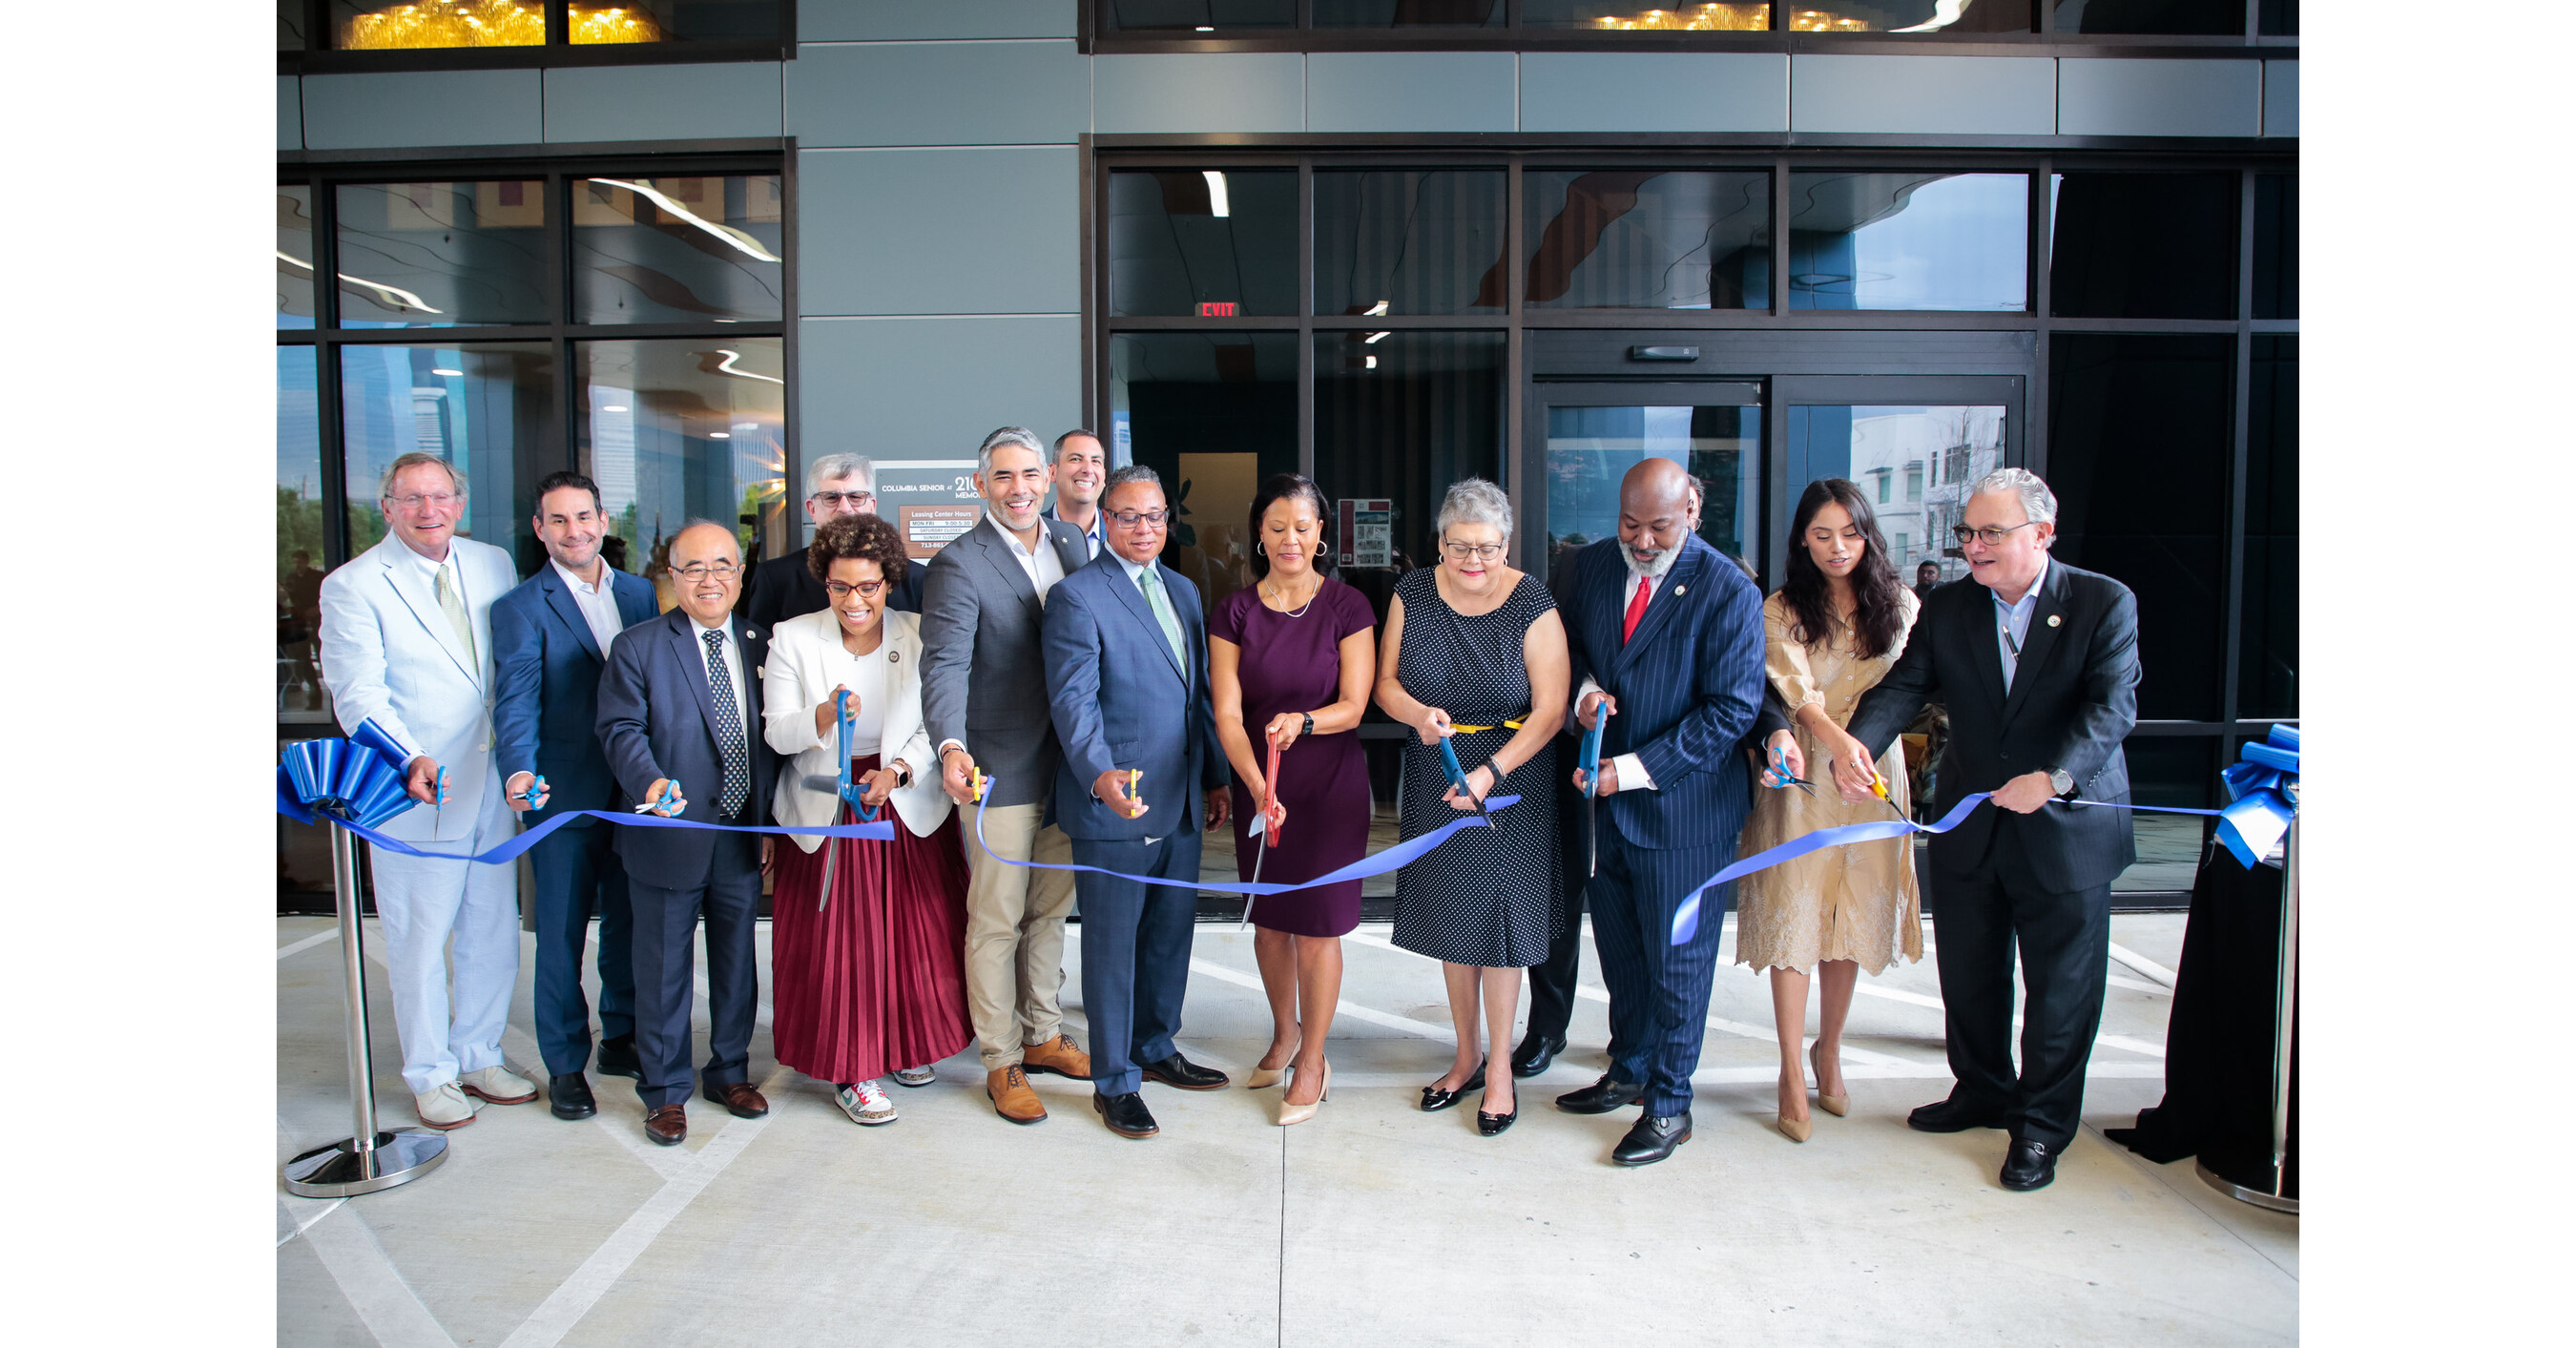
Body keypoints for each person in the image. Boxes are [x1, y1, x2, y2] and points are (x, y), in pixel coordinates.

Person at [1839, 467, 2139, 1193]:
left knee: (2062, 988)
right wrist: (1858, 742)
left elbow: (2112, 708)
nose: (1974, 546)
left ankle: (2039, 1125)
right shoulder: (1949, 607)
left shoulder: (2101, 602)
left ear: (2042, 533)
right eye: (1968, 532)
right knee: (1970, 973)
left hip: (2064, 825)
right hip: (1972, 823)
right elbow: (1907, 684)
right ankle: (1980, 1087)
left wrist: (2056, 776)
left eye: (1991, 533)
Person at [315, 452, 538, 1130]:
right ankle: (430, 1070)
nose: (428, 510)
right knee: (418, 935)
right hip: (417, 786)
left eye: (439, 497)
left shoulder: (493, 562)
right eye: (411, 499)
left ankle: (478, 1050)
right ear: (387, 507)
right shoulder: (353, 585)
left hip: (493, 782)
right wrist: (409, 753)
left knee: (491, 927)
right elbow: (357, 693)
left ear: (458, 504)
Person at [1553, 458, 1766, 1167]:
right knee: (1622, 953)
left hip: (1683, 811)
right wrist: (1584, 695)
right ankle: (1631, 1066)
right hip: (1604, 807)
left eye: (1660, 527)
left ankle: (1671, 1103)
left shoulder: (1728, 589)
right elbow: (1577, 652)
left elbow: (1733, 709)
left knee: (1678, 964)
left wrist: (1633, 771)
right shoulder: (1587, 569)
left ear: (1693, 512)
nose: (1643, 542)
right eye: (1630, 524)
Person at [761, 514, 974, 1128]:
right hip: (828, 808)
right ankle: (854, 1071)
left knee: (915, 936)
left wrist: (898, 773)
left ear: (889, 582)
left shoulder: (920, 632)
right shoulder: (793, 637)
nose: (854, 601)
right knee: (844, 945)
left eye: (868, 587)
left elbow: (936, 720)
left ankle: (904, 1045)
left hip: (900, 802)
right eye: (840, 587)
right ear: (823, 583)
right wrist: (825, 713)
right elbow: (778, 734)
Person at [1042, 466, 1234, 1139]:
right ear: (1105, 520)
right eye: (1127, 516)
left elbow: (1198, 696)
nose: (1144, 527)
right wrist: (1098, 774)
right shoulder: (1077, 597)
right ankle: (1114, 1078)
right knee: (1114, 947)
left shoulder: (1182, 590)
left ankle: (1155, 1046)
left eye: (1155, 515)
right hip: (1115, 803)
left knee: (1168, 938)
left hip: (1180, 797)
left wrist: (1214, 776)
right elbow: (1074, 702)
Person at [1374, 478, 1569, 1138]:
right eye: (1460, 547)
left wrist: (1492, 769)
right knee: (1452, 921)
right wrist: (1417, 715)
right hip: (1438, 768)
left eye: (1486, 548)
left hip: (1512, 775)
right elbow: (1385, 685)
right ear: (1440, 542)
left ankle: (1500, 1073)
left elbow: (1549, 711)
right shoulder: (1413, 593)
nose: (1473, 561)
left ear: (1506, 544)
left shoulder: (1532, 600)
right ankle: (1464, 1055)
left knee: (1503, 926)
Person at [1733, 478, 1925, 1144]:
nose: (1837, 547)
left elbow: (1904, 688)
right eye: (1821, 534)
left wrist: (1861, 749)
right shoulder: (1781, 606)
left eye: (1849, 532)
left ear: (1868, 534)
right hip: (1807, 770)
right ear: (1802, 540)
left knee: (1852, 913)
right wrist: (1839, 745)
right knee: (1798, 911)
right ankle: (1790, 1065)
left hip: (1872, 774)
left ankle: (1830, 1048)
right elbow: (1797, 689)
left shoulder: (1902, 604)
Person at [918, 425, 1096, 1124]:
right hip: (997, 764)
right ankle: (1000, 1058)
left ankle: (1043, 1031)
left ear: (1048, 478)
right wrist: (951, 747)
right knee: (995, 919)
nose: (1018, 488)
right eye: (1002, 476)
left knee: (1050, 908)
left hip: (1068, 764)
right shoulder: (959, 564)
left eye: (1028, 474)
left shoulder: (1074, 545)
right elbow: (944, 666)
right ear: (980, 484)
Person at [594, 520, 780, 1147]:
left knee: (736, 964)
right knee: (664, 967)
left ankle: (728, 1070)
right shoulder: (639, 645)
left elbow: (772, 743)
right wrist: (648, 782)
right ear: (672, 576)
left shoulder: (761, 643)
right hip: (667, 835)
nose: (710, 579)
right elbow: (621, 730)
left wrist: (773, 823)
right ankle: (665, 1090)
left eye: (723, 565)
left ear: (740, 574)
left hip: (739, 834)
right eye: (694, 567)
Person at [490, 470, 661, 1121]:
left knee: (629, 920)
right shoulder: (520, 607)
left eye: (584, 516)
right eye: (558, 520)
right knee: (560, 931)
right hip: (561, 795)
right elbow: (514, 704)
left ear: (602, 519)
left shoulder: (641, 592)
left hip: (634, 791)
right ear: (540, 528)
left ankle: (622, 1035)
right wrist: (518, 772)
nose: (574, 530)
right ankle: (566, 1063)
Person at [1207, 473, 1377, 1126]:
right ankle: (1283, 1031)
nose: (1290, 539)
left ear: (1321, 534)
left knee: (1317, 928)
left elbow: (1354, 705)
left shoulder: (1347, 606)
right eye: (1277, 527)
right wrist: (1255, 786)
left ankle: (1314, 1058)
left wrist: (1303, 721)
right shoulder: (1234, 611)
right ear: (1258, 533)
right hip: (1262, 781)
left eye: (1303, 526)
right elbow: (1228, 714)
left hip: (1330, 785)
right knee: (1271, 921)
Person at [743, 453, 928, 628]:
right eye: (831, 498)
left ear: (872, 506)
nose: (845, 508)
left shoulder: (917, 580)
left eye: (855, 497)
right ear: (811, 509)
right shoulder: (775, 578)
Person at [1045, 429, 1110, 560]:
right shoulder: (1032, 535)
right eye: (1076, 459)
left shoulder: (1124, 537)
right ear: (1052, 473)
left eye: (1095, 461)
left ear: (1103, 476)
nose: (1088, 469)